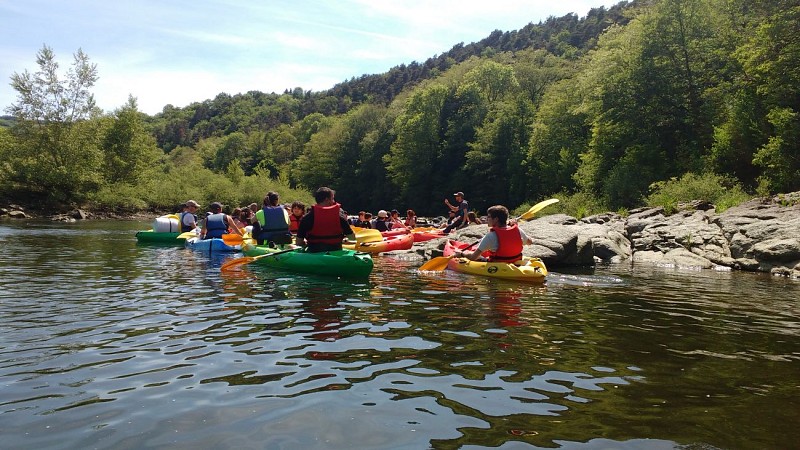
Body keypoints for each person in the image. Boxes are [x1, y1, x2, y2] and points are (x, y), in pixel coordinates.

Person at [455, 205, 533, 263]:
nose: (486, 219)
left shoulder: (490, 236)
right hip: (515, 262)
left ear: (496, 219)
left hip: (497, 265)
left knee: (475, 255)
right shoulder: (517, 230)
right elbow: (530, 242)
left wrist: (462, 254)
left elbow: (473, 257)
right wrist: (521, 238)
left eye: (488, 217)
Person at [296, 187, 356, 253]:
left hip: (314, 253)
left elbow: (299, 242)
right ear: (327, 199)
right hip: (335, 253)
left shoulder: (307, 217)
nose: (334, 201)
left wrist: (305, 244)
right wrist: (343, 240)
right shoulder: (340, 216)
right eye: (332, 199)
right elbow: (352, 238)